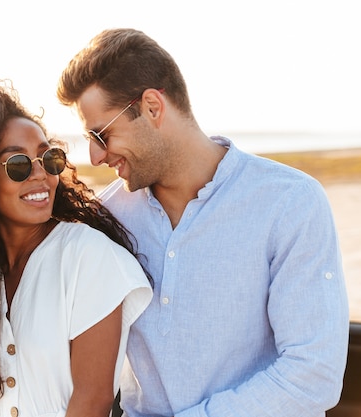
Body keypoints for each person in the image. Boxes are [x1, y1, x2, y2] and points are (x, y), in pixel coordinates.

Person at [56, 28, 349, 417]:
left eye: (100, 134)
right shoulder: (107, 219)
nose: (94, 156)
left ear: (152, 107)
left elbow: (313, 375)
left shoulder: (291, 203)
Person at [0, 81, 152, 417]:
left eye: (49, 158)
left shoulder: (88, 256)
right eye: (18, 164)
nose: (40, 174)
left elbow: (92, 402)